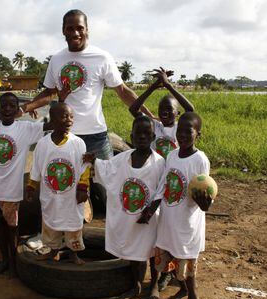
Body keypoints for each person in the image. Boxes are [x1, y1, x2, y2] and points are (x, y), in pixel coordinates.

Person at [23, 9, 154, 159]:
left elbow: (123, 91)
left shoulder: (102, 57)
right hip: (64, 134)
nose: (75, 33)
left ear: (87, 30)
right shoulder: (57, 59)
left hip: (96, 136)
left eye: (80, 28)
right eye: (70, 28)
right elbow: (49, 92)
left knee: (104, 180)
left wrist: (149, 116)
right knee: (67, 180)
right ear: (63, 31)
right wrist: (27, 107)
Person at [84, 115, 166, 299]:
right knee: (133, 251)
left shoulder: (159, 163)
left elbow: (162, 189)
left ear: (153, 137)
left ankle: (153, 285)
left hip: (150, 217)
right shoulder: (122, 159)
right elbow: (106, 169)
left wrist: (150, 210)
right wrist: (94, 161)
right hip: (130, 217)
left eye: (147, 133)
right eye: (138, 133)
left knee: (151, 252)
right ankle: (135, 285)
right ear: (132, 136)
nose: (142, 137)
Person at [139, 111, 213, 299]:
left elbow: (204, 189)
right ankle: (181, 289)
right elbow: (164, 185)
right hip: (168, 217)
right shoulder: (172, 155)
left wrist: (206, 205)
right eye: (179, 131)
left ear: (198, 134)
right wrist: (151, 208)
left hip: (187, 221)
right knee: (166, 255)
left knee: (185, 259)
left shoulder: (200, 160)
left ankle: (193, 297)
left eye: (188, 132)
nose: (182, 135)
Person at [0, 92, 51, 276]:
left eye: (12, 106)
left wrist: (60, 100)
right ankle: (5, 260)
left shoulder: (25, 129)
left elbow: (51, 124)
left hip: (11, 192)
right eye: (3, 106)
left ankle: (14, 263)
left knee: (12, 229)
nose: (7, 109)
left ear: (17, 109)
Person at [26, 101, 90, 265]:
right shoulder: (43, 144)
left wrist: (83, 189)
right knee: (51, 222)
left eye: (71, 117)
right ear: (53, 120)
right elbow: (37, 167)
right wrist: (31, 187)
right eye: (64, 116)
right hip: (51, 195)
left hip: (71, 196)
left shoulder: (78, 143)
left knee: (72, 224)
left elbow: (84, 169)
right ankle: (53, 250)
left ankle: (73, 253)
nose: (69, 120)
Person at [129, 67, 194, 159]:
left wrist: (168, 85)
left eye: (169, 108)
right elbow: (133, 110)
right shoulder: (153, 126)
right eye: (161, 108)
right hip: (155, 169)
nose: (164, 111)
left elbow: (190, 109)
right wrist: (153, 87)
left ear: (178, 113)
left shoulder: (180, 127)